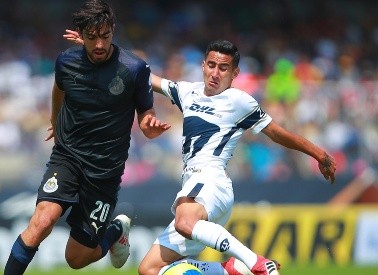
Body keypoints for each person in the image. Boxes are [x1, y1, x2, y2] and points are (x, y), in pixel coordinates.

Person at [137, 40, 336, 275]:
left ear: (235, 73)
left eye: (223, 68)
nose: (215, 73)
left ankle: (256, 262)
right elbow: (147, 77)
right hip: (196, 186)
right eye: (211, 65)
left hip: (210, 181)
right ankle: (229, 269)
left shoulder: (239, 101)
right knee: (149, 269)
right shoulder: (186, 91)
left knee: (184, 222)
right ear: (202, 65)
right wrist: (112, 57)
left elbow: (277, 133)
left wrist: (319, 153)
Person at [3, 1, 170, 274]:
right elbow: (59, 89)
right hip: (67, 157)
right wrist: (56, 121)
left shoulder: (134, 69)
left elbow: (145, 113)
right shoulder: (66, 61)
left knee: (76, 258)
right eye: (92, 38)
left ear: (113, 31)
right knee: (42, 221)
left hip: (104, 172)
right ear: (81, 35)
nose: (100, 45)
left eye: (105, 36)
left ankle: (115, 230)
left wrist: (149, 126)